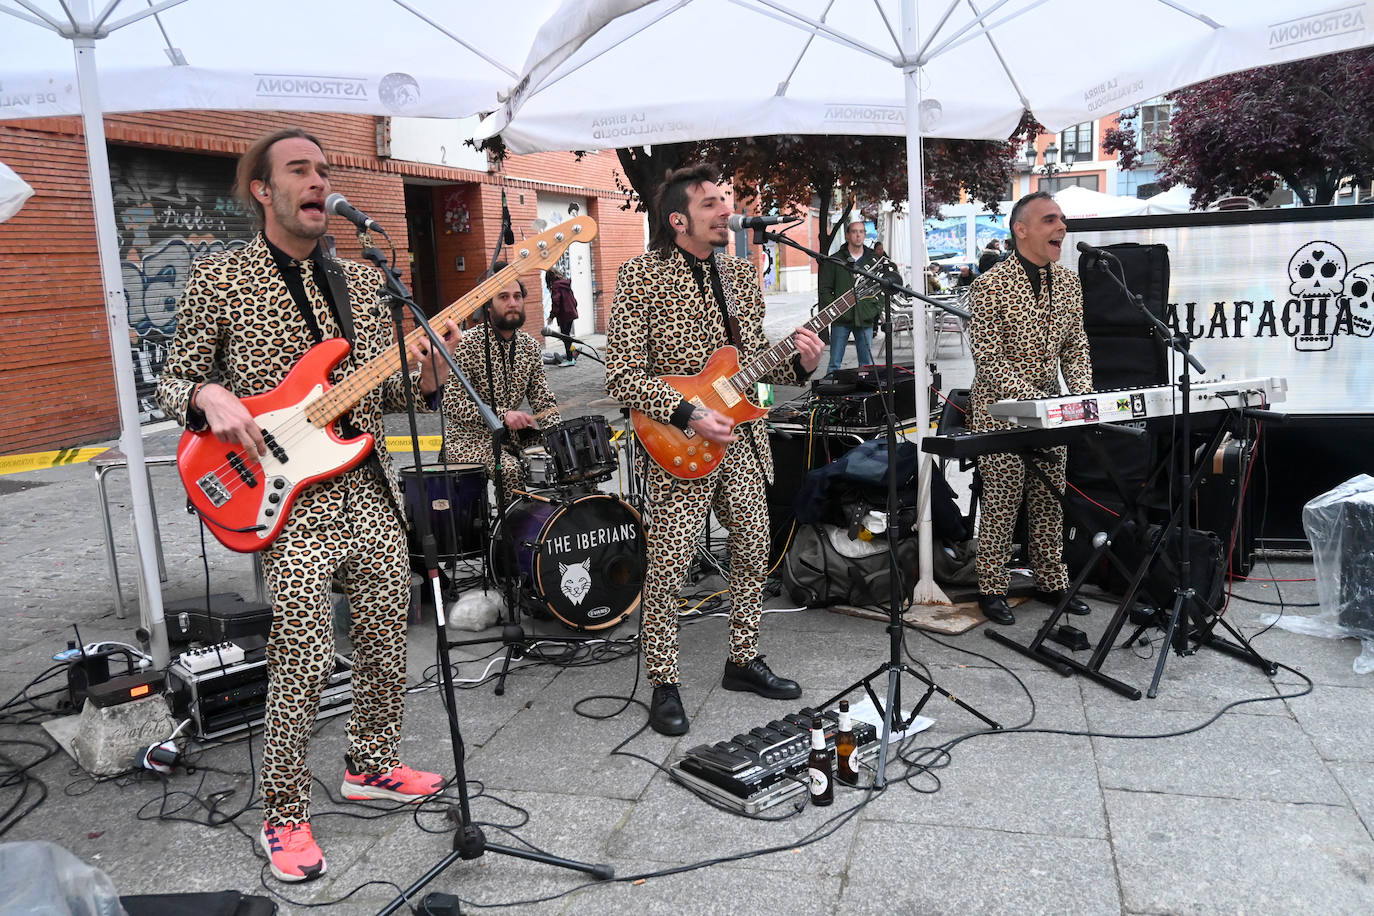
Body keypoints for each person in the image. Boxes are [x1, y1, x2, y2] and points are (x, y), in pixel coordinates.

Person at [155, 128, 458, 883]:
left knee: (393, 631)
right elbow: (172, 380)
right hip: (288, 499)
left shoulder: (361, 285)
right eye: (300, 169)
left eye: (324, 170)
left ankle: (372, 763)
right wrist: (206, 393)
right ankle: (284, 812)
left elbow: (376, 396)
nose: (319, 180)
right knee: (305, 655)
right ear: (264, 190)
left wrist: (423, 377)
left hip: (367, 484)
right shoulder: (220, 280)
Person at [606, 163, 824, 736]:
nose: (725, 209)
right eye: (710, 203)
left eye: (725, 200)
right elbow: (621, 376)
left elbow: (756, 383)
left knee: (753, 549)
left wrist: (799, 368)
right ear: (679, 219)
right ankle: (663, 681)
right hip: (676, 444)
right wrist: (689, 414)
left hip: (742, 443)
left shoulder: (739, 276)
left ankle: (743, 659)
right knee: (671, 566)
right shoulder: (641, 276)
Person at [967, 191, 1094, 625]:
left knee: (1049, 499)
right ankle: (991, 587)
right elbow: (989, 358)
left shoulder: (1071, 282)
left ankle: (1051, 581)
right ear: (1021, 230)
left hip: (1053, 411)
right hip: (1000, 410)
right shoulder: (989, 285)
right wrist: (1033, 401)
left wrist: (1080, 396)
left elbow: (1076, 348)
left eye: (1061, 219)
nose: (1061, 227)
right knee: (1002, 501)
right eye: (1050, 220)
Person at [443, 265, 561, 503]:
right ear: (488, 305)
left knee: (566, 459)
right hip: (469, 440)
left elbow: (541, 397)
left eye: (517, 297)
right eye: (504, 297)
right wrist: (502, 415)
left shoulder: (529, 346)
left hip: (513, 439)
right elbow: (451, 402)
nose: (512, 303)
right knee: (510, 471)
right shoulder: (467, 344)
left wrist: (558, 434)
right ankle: (510, 536)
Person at [819, 220, 883, 376]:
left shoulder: (873, 260)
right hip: (841, 319)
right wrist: (835, 308)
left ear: (865, 235)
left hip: (865, 318)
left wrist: (874, 309)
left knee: (866, 365)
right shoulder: (836, 260)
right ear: (848, 235)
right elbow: (825, 289)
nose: (858, 235)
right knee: (834, 363)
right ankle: (830, 396)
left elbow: (881, 287)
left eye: (861, 232)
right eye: (854, 231)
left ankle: (865, 397)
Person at [545, 266, 579, 366]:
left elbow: (556, 303)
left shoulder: (556, 286)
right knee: (567, 337)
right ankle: (571, 354)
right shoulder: (565, 284)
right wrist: (572, 309)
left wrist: (551, 316)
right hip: (571, 313)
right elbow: (574, 301)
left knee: (565, 338)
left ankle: (570, 359)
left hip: (564, 315)